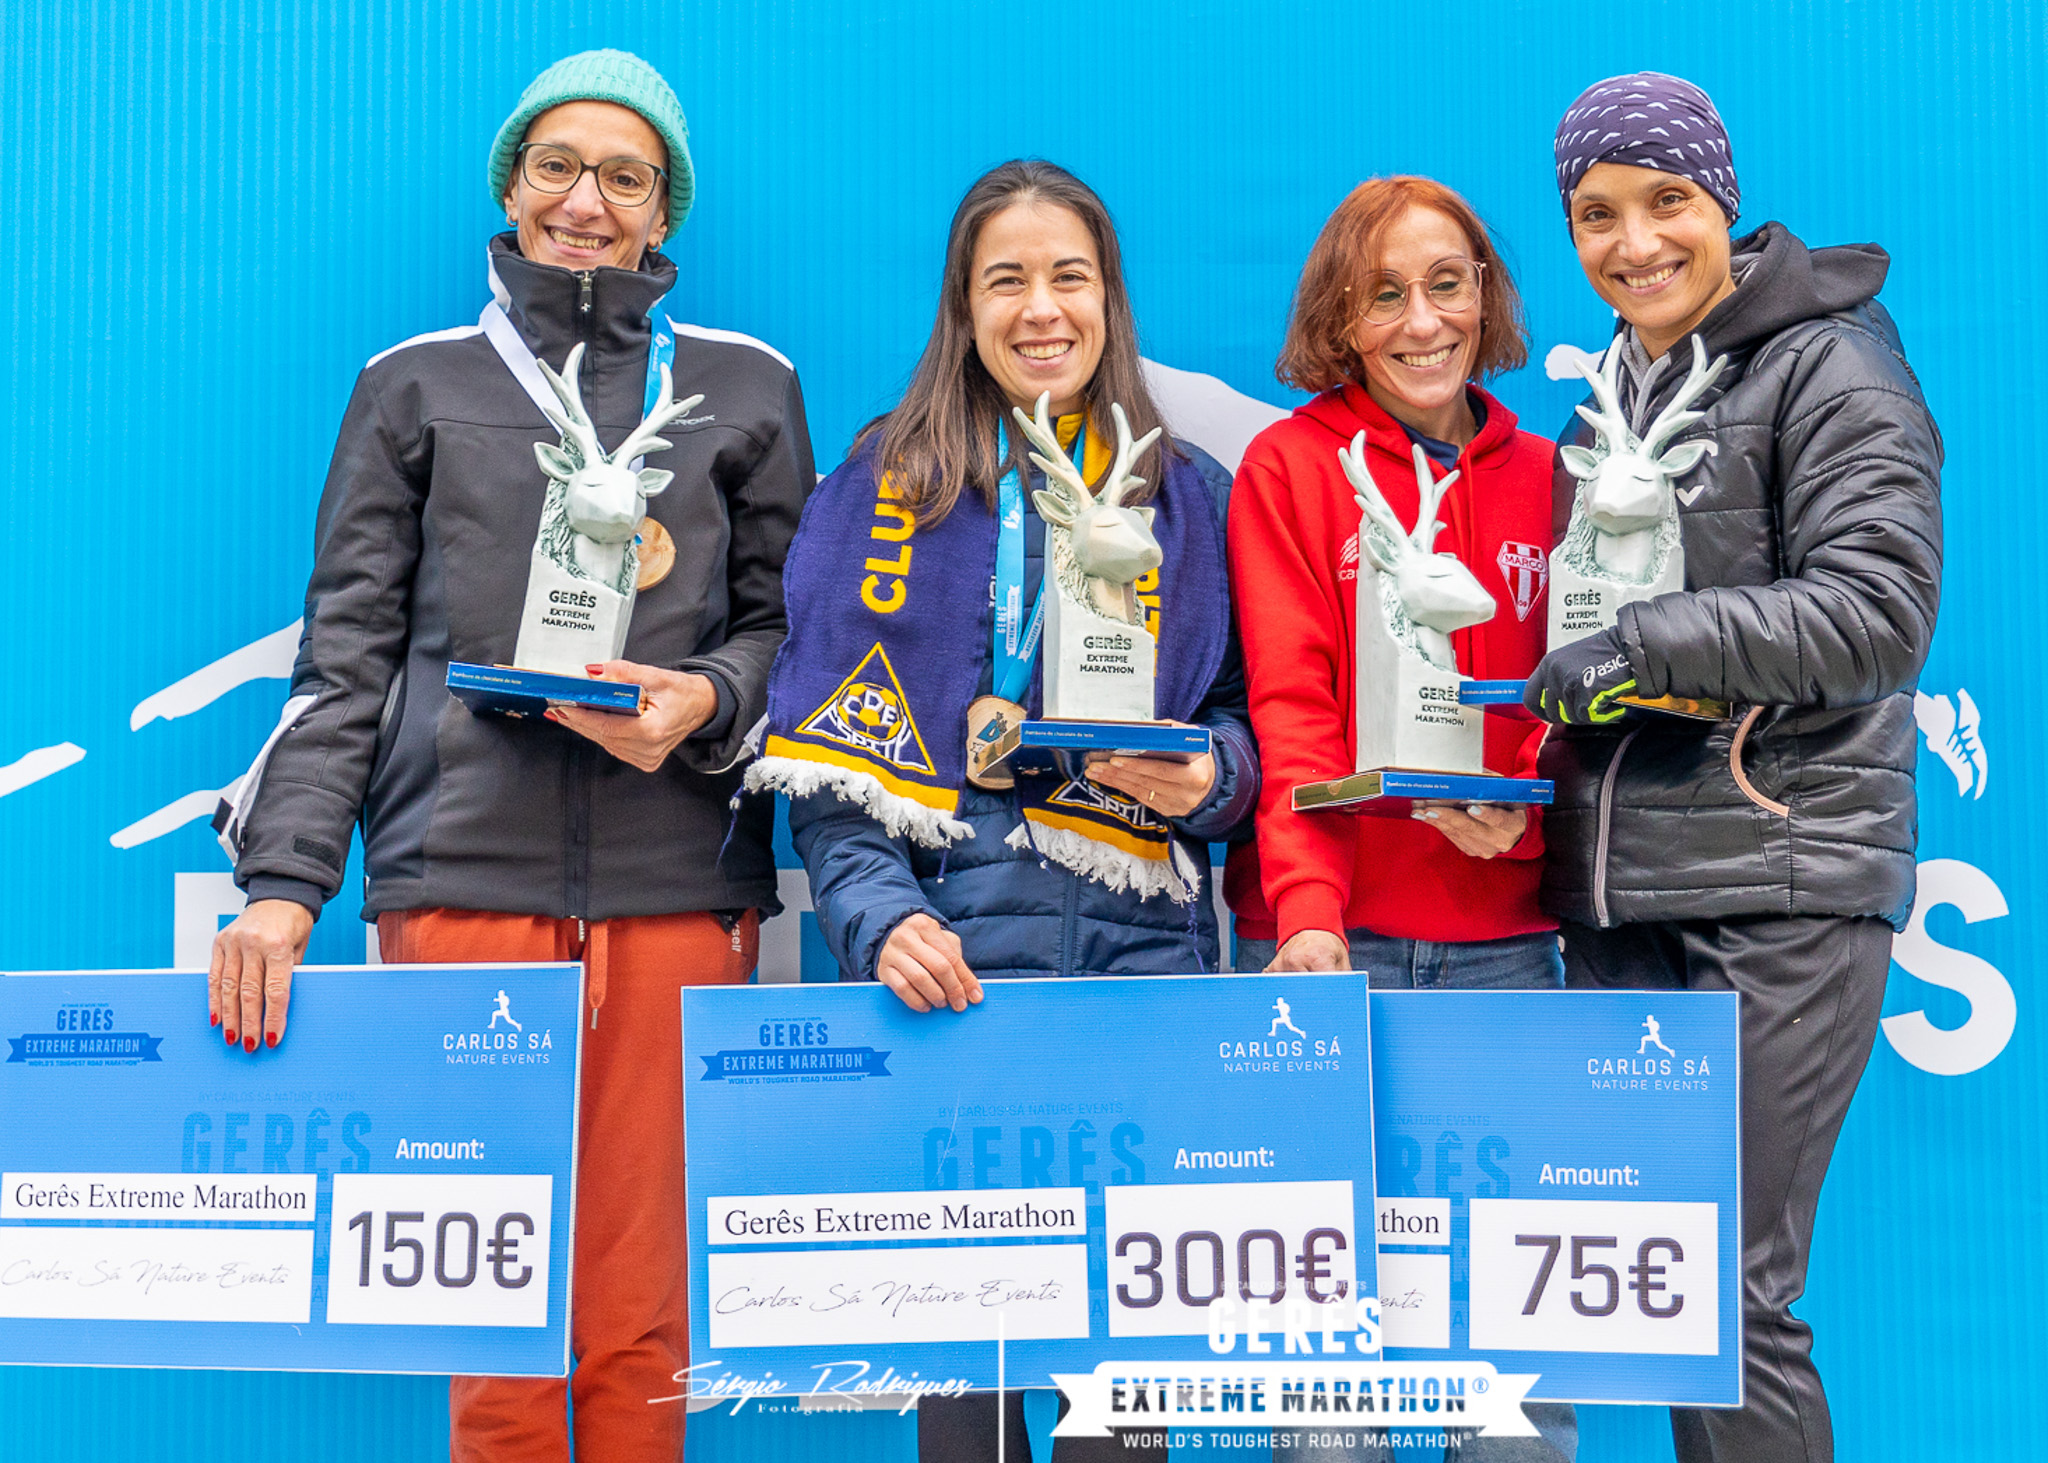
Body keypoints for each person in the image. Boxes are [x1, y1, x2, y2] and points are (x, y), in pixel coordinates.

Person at [209, 50, 814, 1463]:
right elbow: (345, 656)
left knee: (641, 1313)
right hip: (457, 889)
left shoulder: (749, 387)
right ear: (510, 187)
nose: (586, 201)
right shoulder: (412, 385)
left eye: (625, 175)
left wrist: (704, 702)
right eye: (557, 166)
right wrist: (286, 879)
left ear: (664, 213)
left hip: (677, 889)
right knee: (497, 1317)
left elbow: (792, 626)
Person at [746, 158, 1256, 1460]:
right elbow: (832, 765)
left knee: (1118, 1416)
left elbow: (1253, 725)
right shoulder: (889, 487)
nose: (1043, 308)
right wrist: (880, 923)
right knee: (966, 1413)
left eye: (1069, 276)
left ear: (1111, 298)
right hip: (952, 980)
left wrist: (1215, 781)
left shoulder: (1186, 493)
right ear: (962, 306)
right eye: (1006, 279)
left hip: (1142, 982)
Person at [1526, 72, 1942, 1463]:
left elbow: (1878, 609)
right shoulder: (1622, 390)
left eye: (1665, 203)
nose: (1633, 242)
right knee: (1671, 1296)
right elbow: (1604, 647)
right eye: (1596, 215)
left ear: (1724, 202)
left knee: (1733, 1298)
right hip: (1637, 887)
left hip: (1779, 875)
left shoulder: (1833, 362)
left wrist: (1641, 643)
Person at [1227, 176, 1576, 1462]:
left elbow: (1586, 704)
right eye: (1384, 294)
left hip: (1506, 955)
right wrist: (1307, 918)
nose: (1421, 320)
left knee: (1513, 1392)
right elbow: (1290, 705)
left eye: (1446, 283)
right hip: (1334, 959)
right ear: (1341, 317)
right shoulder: (1292, 468)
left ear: (1484, 297)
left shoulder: (1556, 478)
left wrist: (1526, 826)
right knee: (1332, 1402)